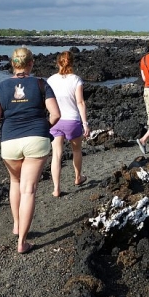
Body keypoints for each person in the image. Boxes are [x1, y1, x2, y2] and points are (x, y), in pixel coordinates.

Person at [0, 47, 61, 254]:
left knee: (15, 182)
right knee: (28, 190)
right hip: (36, 140)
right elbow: (56, 114)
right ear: (31, 63)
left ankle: (16, 224)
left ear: (13, 64)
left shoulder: (1, 87)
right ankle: (22, 242)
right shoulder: (41, 83)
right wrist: (43, 128)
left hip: (9, 141)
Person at [47, 51, 89, 197]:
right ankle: (78, 177)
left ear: (58, 63)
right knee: (76, 151)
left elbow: (46, 102)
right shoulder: (76, 80)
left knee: (56, 155)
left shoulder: (51, 80)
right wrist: (85, 123)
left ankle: (56, 188)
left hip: (56, 121)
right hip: (72, 121)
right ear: (72, 63)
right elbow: (80, 102)